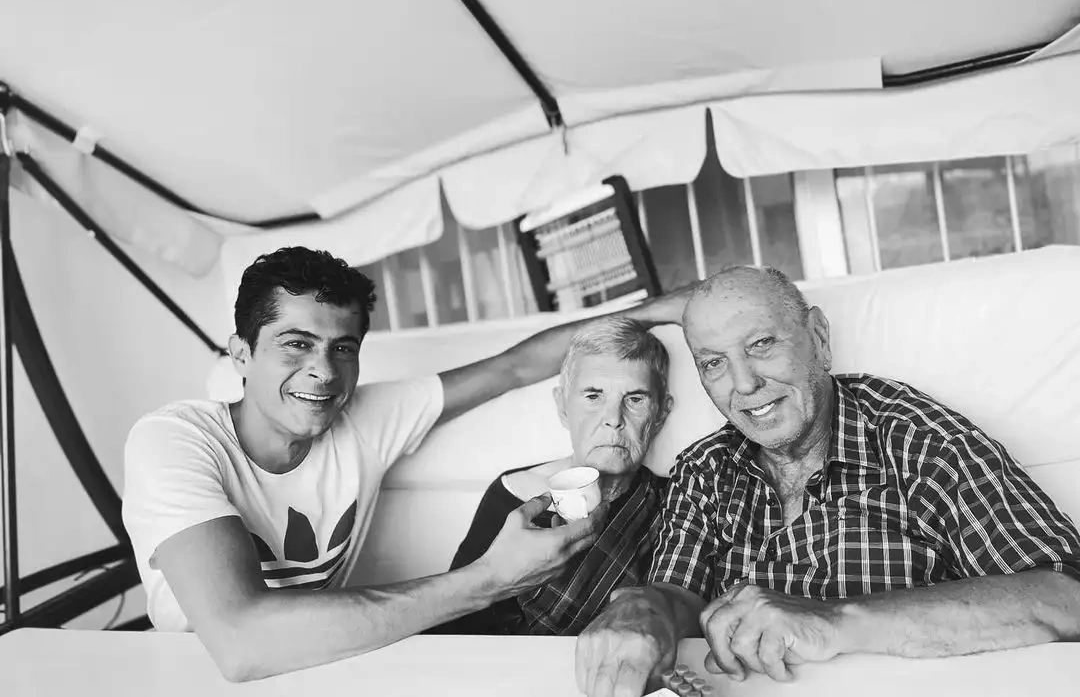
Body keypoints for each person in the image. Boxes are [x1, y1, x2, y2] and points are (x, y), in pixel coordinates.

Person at [121, 246, 688, 681]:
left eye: (342, 348)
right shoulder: (173, 441)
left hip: (325, 671)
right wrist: (490, 579)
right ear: (241, 354)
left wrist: (660, 311)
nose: (323, 371)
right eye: (295, 344)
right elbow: (241, 642)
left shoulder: (363, 419)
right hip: (189, 680)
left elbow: (513, 368)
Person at [575, 265, 1080, 697]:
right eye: (714, 363)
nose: (744, 383)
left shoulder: (918, 440)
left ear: (818, 337)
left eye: (761, 344)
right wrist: (645, 609)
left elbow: (1066, 596)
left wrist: (836, 619)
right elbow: (679, 596)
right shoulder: (703, 469)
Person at [436, 317, 673, 636]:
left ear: (660, 414)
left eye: (635, 399)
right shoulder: (516, 497)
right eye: (593, 396)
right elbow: (458, 623)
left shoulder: (678, 503)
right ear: (562, 407)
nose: (613, 419)